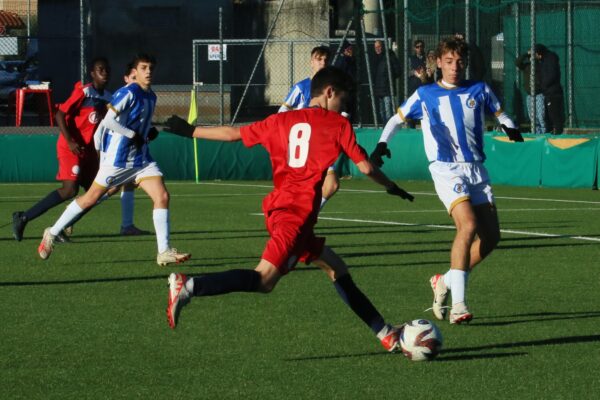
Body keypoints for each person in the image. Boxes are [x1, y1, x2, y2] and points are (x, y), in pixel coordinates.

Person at [163, 66, 414, 352]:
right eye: (343, 101)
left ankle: (385, 333)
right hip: (295, 216)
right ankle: (190, 285)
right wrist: (391, 186)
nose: (343, 108)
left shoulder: (279, 121)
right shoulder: (338, 125)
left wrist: (191, 130)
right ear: (329, 92)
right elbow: (366, 166)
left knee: (337, 269)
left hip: (285, 210)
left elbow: (233, 134)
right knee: (264, 280)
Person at [370, 37, 521, 325]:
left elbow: (501, 113)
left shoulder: (479, 89)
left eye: (459, 62)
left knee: (491, 239)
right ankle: (459, 306)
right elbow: (396, 119)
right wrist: (381, 144)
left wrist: (510, 127)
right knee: (468, 225)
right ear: (438, 62)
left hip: (476, 169)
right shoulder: (425, 94)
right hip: (446, 168)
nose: (454, 67)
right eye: (449, 62)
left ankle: (445, 282)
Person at [37, 53, 190, 266]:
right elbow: (108, 122)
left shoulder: (151, 96)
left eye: (151, 68)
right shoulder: (127, 93)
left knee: (162, 196)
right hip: (117, 161)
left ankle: (163, 251)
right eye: (144, 68)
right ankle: (51, 233)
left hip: (141, 160)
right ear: (134, 72)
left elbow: (138, 125)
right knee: (90, 198)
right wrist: (131, 135)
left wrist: (149, 132)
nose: (148, 72)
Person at [12, 57, 112, 242]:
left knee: (95, 194)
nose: (104, 73)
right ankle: (23, 217)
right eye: (100, 70)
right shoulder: (84, 92)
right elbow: (60, 114)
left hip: (88, 151)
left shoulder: (108, 98)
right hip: (70, 146)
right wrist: (70, 140)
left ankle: (59, 228)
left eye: (107, 70)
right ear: (92, 73)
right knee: (69, 190)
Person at [279, 45, 338, 211]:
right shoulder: (301, 87)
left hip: (323, 144)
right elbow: (282, 112)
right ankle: (296, 218)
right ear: (312, 62)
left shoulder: (332, 89)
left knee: (331, 185)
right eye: (319, 59)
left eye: (326, 60)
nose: (323, 63)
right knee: (304, 189)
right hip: (304, 146)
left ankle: (307, 217)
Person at [536, 44, 564, 134]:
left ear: (540, 53)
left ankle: (558, 134)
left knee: (554, 115)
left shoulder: (550, 59)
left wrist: (543, 85)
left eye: (536, 54)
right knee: (548, 116)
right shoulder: (543, 61)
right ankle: (552, 133)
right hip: (548, 92)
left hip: (553, 93)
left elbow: (552, 75)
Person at [515, 50, 545, 134]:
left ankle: (544, 134)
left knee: (541, 117)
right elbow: (517, 62)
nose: (532, 58)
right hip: (529, 95)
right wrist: (526, 54)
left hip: (539, 94)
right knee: (532, 117)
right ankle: (536, 134)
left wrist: (536, 57)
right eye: (530, 56)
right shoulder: (526, 66)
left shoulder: (540, 65)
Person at [373, 40, 400, 124]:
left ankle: (390, 129)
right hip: (378, 89)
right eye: (376, 47)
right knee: (381, 112)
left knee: (388, 112)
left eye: (379, 46)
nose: (378, 49)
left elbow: (398, 71)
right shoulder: (375, 58)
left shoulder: (390, 56)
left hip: (388, 89)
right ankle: (385, 129)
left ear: (383, 46)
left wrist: (390, 78)